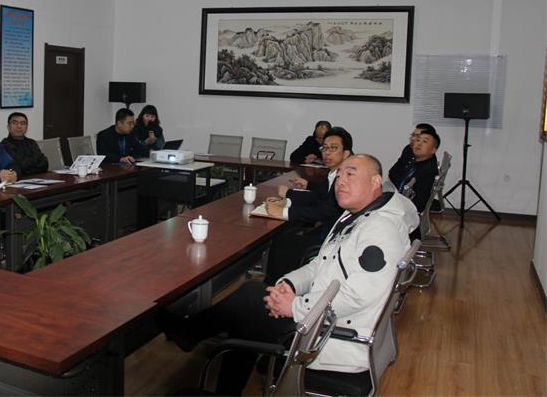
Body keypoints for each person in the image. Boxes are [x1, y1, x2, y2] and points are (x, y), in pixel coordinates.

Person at [158, 155, 418, 395]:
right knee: (252, 308)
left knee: (250, 300)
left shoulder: (380, 230)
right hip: (322, 317)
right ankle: (204, 356)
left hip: (332, 335)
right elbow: (320, 264)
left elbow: (359, 296)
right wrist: (289, 284)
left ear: (375, 182)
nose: (341, 181)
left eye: (351, 174)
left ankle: (189, 334)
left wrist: (295, 306)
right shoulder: (357, 216)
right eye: (339, 175)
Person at [262, 126, 353, 283]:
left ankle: (274, 286)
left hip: (333, 239)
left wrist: (284, 212)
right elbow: (317, 197)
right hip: (327, 230)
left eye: (333, 148)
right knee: (285, 234)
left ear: (346, 153)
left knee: (283, 240)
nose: (327, 152)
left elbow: (326, 210)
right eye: (324, 148)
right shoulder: (333, 173)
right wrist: (287, 200)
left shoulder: (345, 179)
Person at [389, 129, 440, 215]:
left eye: (425, 141)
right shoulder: (414, 161)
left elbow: (419, 204)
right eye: (418, 140)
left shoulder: (428, 171)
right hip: (398, 198)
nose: (419, 144)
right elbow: (392, 172)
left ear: (433, 150)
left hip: (406, 210)